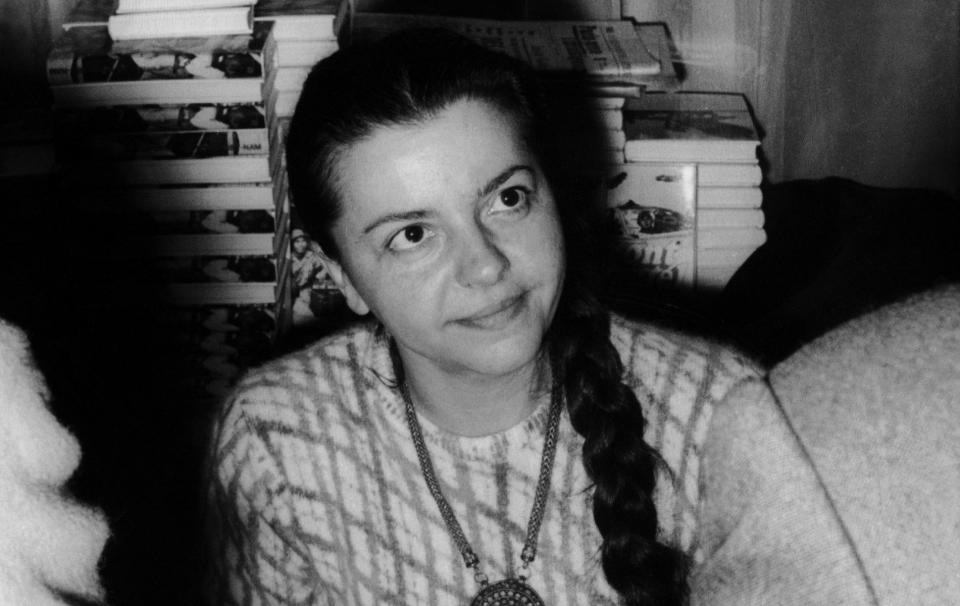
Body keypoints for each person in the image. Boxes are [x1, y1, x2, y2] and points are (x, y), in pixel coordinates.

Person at [207, 29, 877, 605]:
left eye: (507, 198)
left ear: (556, 193)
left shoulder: (720, 413)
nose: (485, 266)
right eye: (412, 235)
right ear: (340, 277)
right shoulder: (276, 439)